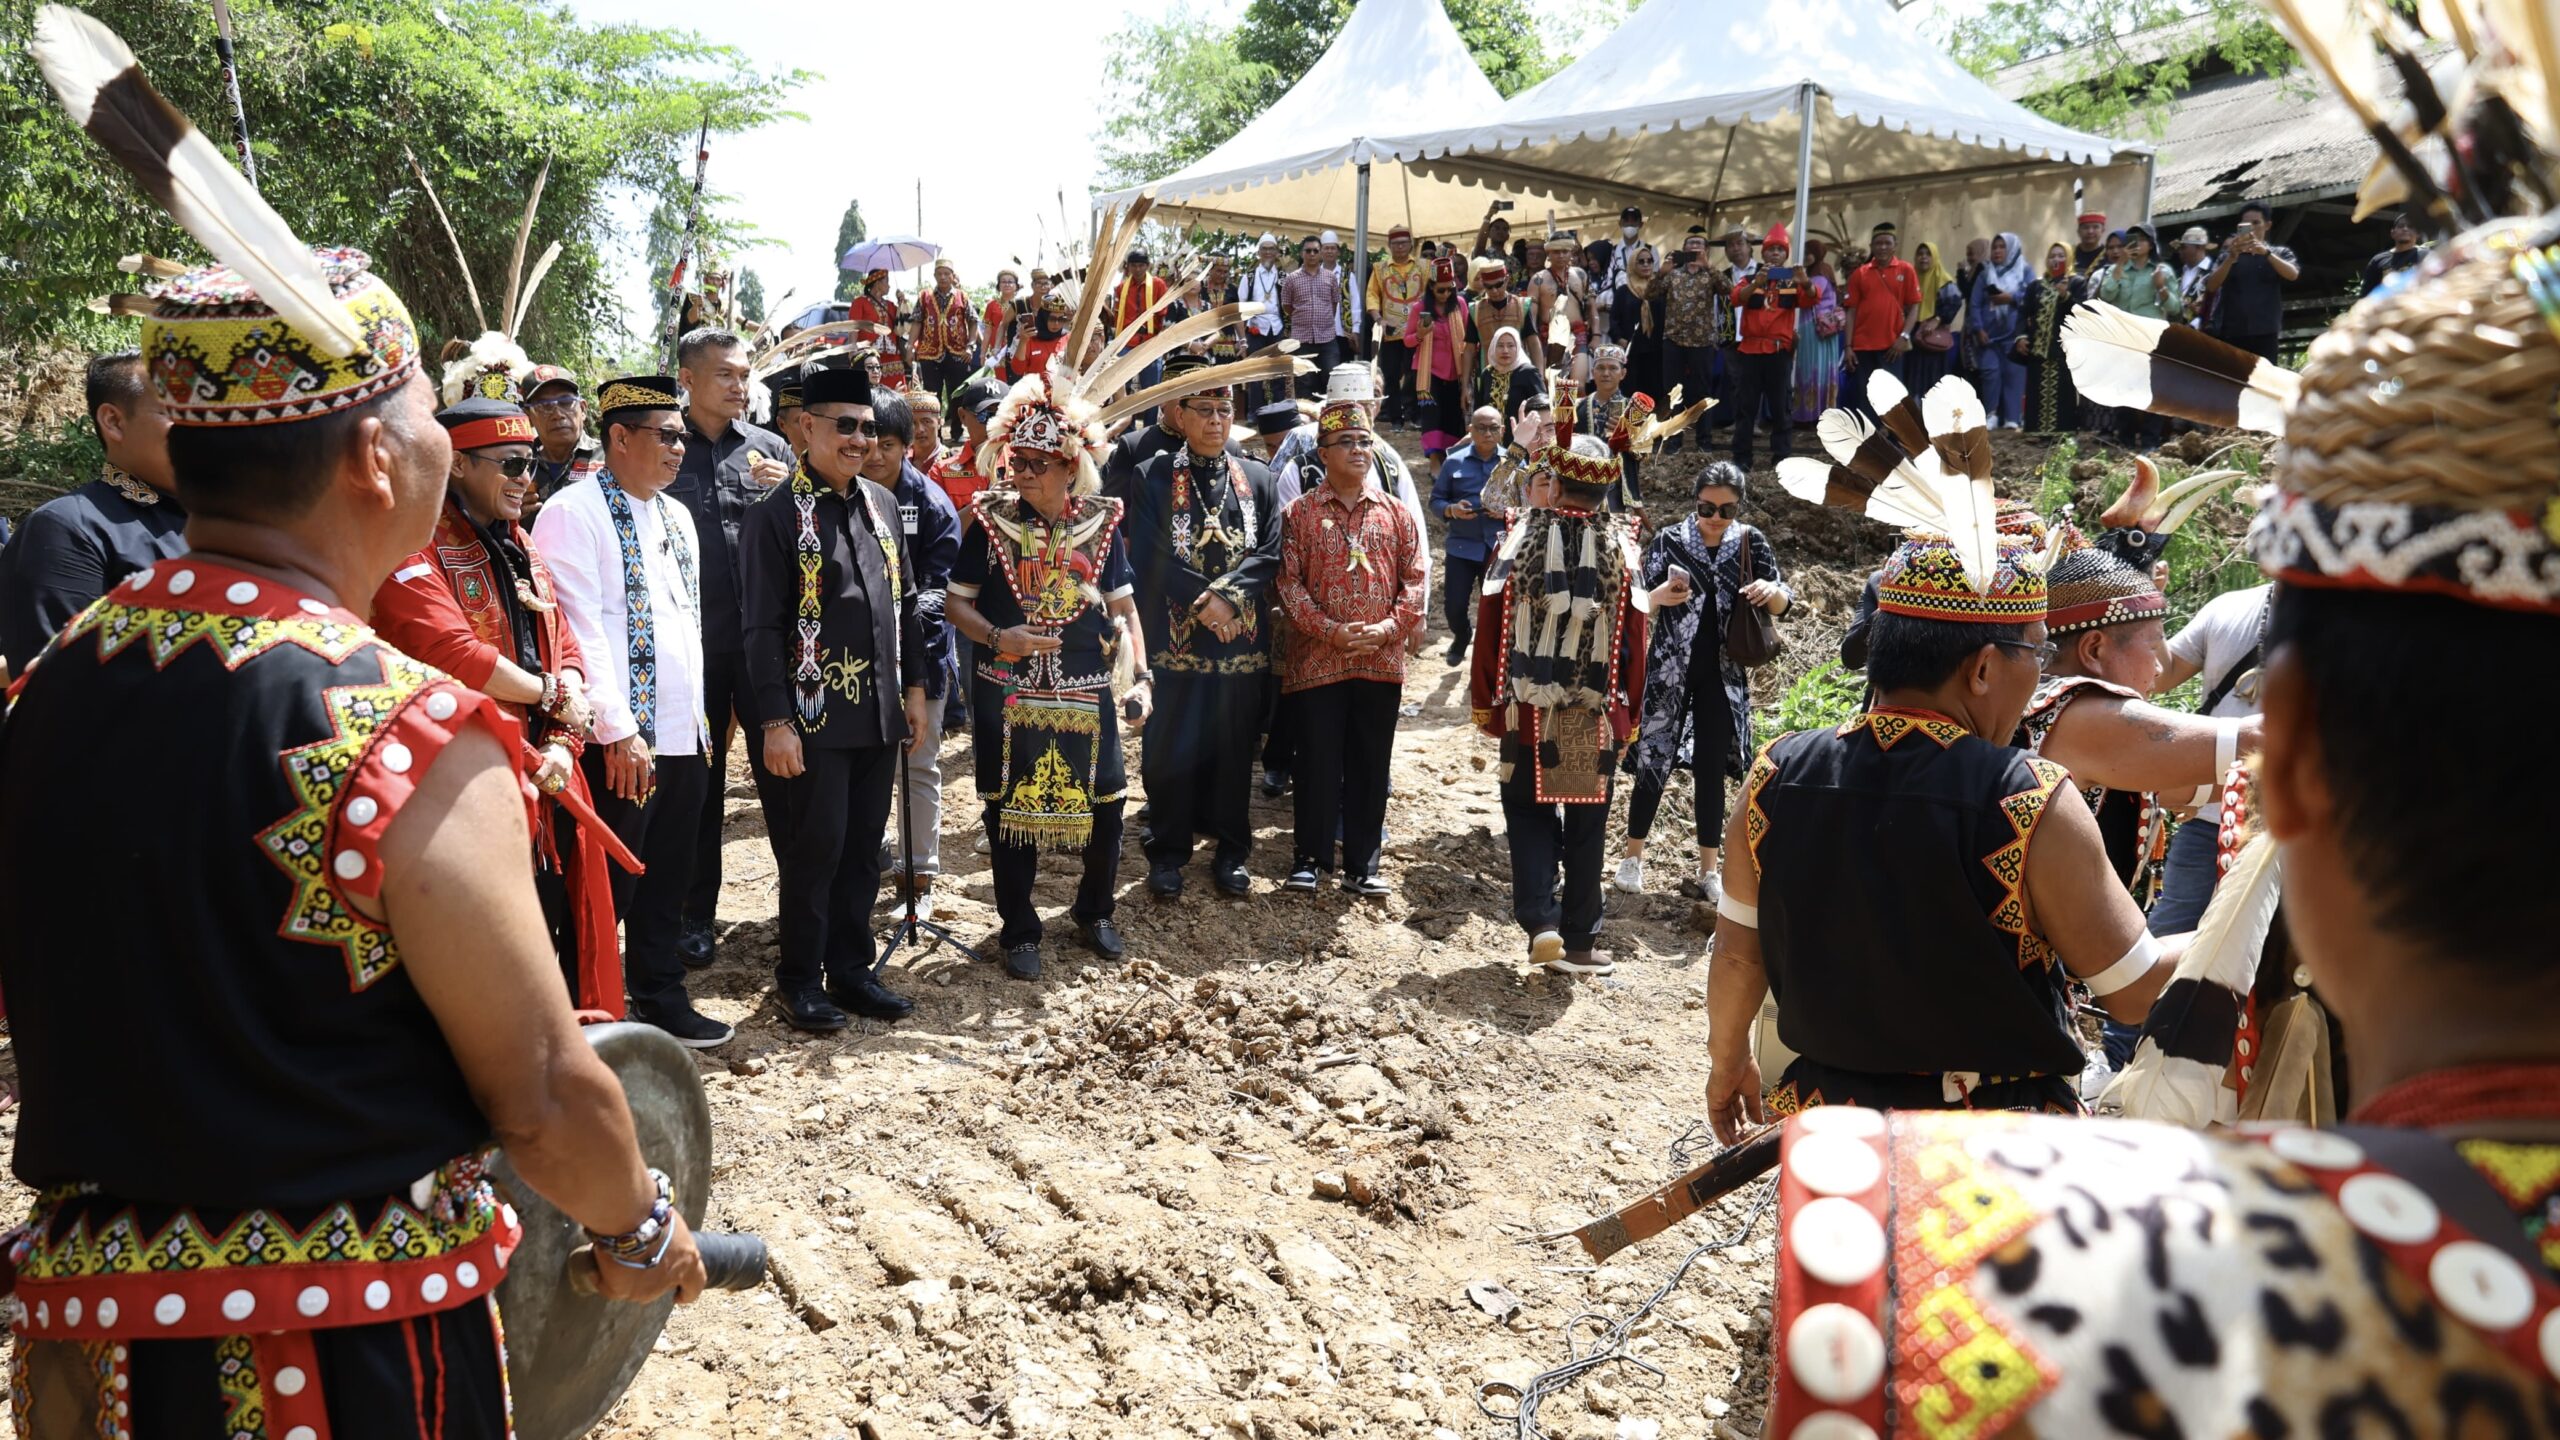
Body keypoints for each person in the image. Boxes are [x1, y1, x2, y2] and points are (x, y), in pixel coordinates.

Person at [1760, 170, 2560, 1440]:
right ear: (2002, 667)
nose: (2142, 653)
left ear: (2291, 777)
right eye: (2113, 638)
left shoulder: (2012, 1295)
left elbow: (1749, 940)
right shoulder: (2041, 760)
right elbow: (2128, 972)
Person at [0, 243, 704, 1435]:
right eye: (431, 408)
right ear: (378, 457)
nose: (445, 436)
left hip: (89, 1361)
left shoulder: (48, 691)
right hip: (342, 1360)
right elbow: (539, 1089)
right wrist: (637, 1224)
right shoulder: (405, 728)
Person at [1706, 529, 2176, 1129]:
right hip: (1995, 1149)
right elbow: (2132, 989)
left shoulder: (1774, 775)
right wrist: (2248, 925)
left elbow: (1739, 960)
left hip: (1832, 1143)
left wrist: (1728, 1062)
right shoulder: (2031, 798)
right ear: (1983, 669)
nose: (2043, 678)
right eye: (2037, 654)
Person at [371, 393, 633, 1015]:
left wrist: (563, 743)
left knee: (556, 929)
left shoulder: (520, 543)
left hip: (546, 773)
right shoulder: (412, 545)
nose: (526, 478)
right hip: (461, 781)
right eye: (511, 463)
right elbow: (449, 652)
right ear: (458, 465)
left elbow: (562, 638)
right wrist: (551, 694)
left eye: (533, 463)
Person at [532, 374, 730, 1045]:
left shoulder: (675, 515)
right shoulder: (571, 512)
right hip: (619, 741)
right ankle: (576, 1009)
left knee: (671, 875)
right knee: (602, 887)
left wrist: (702, 721)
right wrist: (618, 731)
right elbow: (579, 629)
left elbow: (687, 627)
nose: (680, 448)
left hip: (683, 733)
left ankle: (658, 991)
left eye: (682, 436)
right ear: (619, 438)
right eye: (666, 435)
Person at [739, 366, 930, 1032]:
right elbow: (759, 627)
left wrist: (912, 690)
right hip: (812, 717)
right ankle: (801, 977)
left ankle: (851, 970)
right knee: (814, 850)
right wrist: (773, 722)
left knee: (862, 850)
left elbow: (901, 608)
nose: (859, 440)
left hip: (877, 713)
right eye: (843, 426)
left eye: (868, 428)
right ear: (805, 429)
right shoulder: (773, 517)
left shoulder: (880, 506)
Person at [944, 369, 1150, 981]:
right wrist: (997, 636)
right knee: (1009, 812)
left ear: (1070, 467)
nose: (1023, 471)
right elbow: (957, 602)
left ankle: (1095, 911)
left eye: (1039, 461)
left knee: (1108, 806)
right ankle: (1018, 930)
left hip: (1088, 688)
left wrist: (1139, 676)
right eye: (1018, 459)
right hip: (1007, 691)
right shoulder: (988, 521)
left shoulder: (1102, 521)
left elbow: (1123, 607)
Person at [1469, 437, 1649, 973]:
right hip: (1592, 713)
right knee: (1587, 825)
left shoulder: (1517, 536)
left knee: (1527, 814)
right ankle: (1578, 943)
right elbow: (1635, 640)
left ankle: (1540, 922)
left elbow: (1490, 626)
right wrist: (1629, 716)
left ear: (1557, 482)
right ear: (1606, 488)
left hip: (1526, 710)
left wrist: (1486, 702)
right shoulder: (1624, 545)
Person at [1127, 362, 1280, 899]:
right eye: (1205, 411)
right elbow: (1147, 554)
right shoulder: (1153, 475)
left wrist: (1231, 598)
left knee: (1235, 751)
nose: (1216, 421)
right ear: (1179, 414)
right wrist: (1206, 603)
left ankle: (1232, 852)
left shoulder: (1257, 476)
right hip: (1175, 644)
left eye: (1224, 411)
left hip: (1241, 643)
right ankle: (1168, 853)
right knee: (1170, 749)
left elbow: (1270, 552)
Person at [665, 328, 792, 971]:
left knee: (788, 781)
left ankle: (801, 916)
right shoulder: (665, 451)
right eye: (726, 375)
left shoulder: (772, 450)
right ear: (687, 379)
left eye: (745, 375)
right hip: (695, 647)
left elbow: (809, 541)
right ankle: (694, 916)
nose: (741, 386)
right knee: (698, 789)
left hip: (767, 645)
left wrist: (788, 492)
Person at [1615, 461, 1788, 901]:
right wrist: (1656, 597)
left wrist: (1772, 593)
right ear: (1695, 502)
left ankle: (1709, 870)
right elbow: (1635, 600)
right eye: (1707, 507)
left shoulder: (1751, 542)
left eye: (1726, 510)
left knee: (1710, 770)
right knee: (1654, 760)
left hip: (1724, 675)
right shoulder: (1671, 540)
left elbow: (1784, 602)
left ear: (1739, 509)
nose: (1715, 518)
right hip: (1669, 671)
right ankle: (1632, 857)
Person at [1275, 397, 1425, 897]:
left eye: (1365, 441)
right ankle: (1310, 859)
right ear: (1322, 453)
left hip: (1380, 659)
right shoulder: (1298, 514)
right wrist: (1328, 630)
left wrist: (1388, 628)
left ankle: (1362, 864)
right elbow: (1287, 585)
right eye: (1346, 442)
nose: (1359, 450)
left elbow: (1416, 580)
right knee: (1316, 759)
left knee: (1370, 761)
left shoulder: (1396, 514)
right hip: (1317, 659)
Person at [0, 350, 186, 669]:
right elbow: (59, 687)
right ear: (113, 422)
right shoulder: (68, 529)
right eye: (178, 410)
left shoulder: (231, 520)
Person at [861, 390, 960, 921]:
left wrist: (900, 623)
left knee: (918, 765)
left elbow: (938, 590)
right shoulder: (838, 496)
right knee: (864, 766)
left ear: (910, 446)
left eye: (889, 443)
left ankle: (919, 875)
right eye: (866, 439)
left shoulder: (933, 505)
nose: (874, 453)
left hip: (922, 656)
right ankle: (863, 864)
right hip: (854, 665)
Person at [2147, 579, 2271, 933]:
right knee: (2173, 934)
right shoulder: (2228, 607)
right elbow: (2159, 676)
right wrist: (2150, 609)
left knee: (2280, 957)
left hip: (2301, 829)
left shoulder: (2360, 622)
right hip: (2209, 820)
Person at [1729, 223, 1814, 470]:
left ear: (1786, 255)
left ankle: (1781, 458)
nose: (1775, 253)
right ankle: (1742, 458)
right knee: (1746, 409)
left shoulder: (1792, 282)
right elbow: (1737, 298)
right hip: (1750, 352)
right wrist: (1757, 282)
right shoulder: (1749, 278)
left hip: (1778, 353)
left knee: (1780, 408)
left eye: (1780, 250)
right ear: (1763, 254)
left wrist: (1805, 281)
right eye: (1770, 249)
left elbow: (1811, 298)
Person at [1432, 406, 1507, 661]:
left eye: (1493, 428)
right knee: (1454, 607)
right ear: (1471, 431)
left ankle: (1490, 658)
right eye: (1481, 428)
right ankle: (1462, 635)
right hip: (1462, 546)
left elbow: (1529, 503)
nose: (1488, 433)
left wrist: (1508, 513)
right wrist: (1452, 510)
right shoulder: (1454, 461)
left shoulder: (1513, 463)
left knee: (1496, 607)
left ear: (1503, 431)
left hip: (1499, 548)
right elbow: (1436, 501)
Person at [2203, 201, 2298, 359]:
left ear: (2267, 225)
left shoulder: (2279, 253)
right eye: (2246, 224)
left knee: (2265, 380)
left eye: (2256, 223)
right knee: (2233, 380)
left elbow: (2293, 274)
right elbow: (2212, 286)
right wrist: (2230, 258)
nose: (2252, 228)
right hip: (2232, 332)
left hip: (2265, 332)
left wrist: (2266, 253)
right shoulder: (2228, 256)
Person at [1840, 222, 1920, 409]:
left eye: (1887, 242)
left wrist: (1904, 337)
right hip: (1862, 347)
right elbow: (1850, 311)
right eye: (1878, 243)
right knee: (1865, 396)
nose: (1882, 247)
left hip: (1892, 346)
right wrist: (1849, 346)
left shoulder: (1906, 270)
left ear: (1895, 245)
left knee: (1893, 398)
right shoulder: (1860, 274)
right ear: (1871, 246)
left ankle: (1895, 438)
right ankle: (1870, 437)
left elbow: (1914, 307)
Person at [1659, 228, 1723, 453]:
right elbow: (1650, 294)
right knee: (1673, 392)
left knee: (1702, 392)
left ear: (1706, 251)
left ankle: (1703, 442)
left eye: (1699, 245)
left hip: (1702, 342)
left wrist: (1709, 267)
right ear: (1683, 251)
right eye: (1690, 245)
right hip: (1674, 340)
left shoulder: (1711, 275)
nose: (1695, 248)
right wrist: (1661, 272)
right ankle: (1673, 441)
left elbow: (1729, 291)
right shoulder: (1673, 275)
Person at [1407, 255, 1473, 466]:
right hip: (1429, 372)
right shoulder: (1420, 308)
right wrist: (1419, 334)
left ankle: (1450, 460)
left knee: (1453, 416)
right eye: (1441, 290)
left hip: (1455, 370)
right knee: (1432, 415)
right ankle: (1434, 461)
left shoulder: (1460, 305)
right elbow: (1407, 341)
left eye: (1450, 289)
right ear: (1431, 288)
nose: (1446, 294)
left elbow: (1467, 339)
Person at [2017, 242, 2084, 438]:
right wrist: (2020, 337)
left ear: (2069, 258)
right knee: (2037, 390)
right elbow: (2023, 312)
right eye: (2052, 256)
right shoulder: (2035, 286)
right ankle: (2037, 432)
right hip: (2038, 349)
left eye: (2061, 256)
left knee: (2063, 391)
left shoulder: (2077, 283)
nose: (2056, 259)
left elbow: (2082, 313)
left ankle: (2063, 434)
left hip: (2064, 349)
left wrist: (2065, 296)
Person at [1968, 231, 2032, 429]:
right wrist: (1978, 329)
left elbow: (2032, 297)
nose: (1997, 251)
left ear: (2012, 249)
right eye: (1995, 247)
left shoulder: (2025, 271)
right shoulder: (1986, 273)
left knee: (2014, 374)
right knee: (1990, 372)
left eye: (2002, 247)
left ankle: (2013, 418)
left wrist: (2011, 299)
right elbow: (1975, 304)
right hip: (1989, 336)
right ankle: (1991, 414)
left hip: (2015, 336)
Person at [521, 362, 602, 514]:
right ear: (528, 417)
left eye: (566, 402)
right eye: (544, 405)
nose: (557, 414)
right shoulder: (518, 465)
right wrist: (509, 516)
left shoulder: (610, 458)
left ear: (583, 409)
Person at [1367, 224, 1427, 425]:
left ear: (1410, 244)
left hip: (1416, 330)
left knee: (1415, 372)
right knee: (1391, 374)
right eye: (1395, 243)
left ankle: (1414, 413)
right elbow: (1372, 295)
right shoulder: (1379, 268)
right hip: (1390, 329)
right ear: (1389, 245)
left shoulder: (1424, 266)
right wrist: (1378, 318)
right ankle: (1395, 417)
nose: (1400, 247)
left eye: (1403, 243)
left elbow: (1432, 293)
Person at [1576, 343, 1647, 510]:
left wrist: (1628, 441)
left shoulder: (1634, 409)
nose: (1606, 373)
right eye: (1600, 368)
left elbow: (1643, 452)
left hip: (1618, 485)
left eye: (1613, 368)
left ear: (1623, 373)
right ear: (1593, 373)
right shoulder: (1578, 407)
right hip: (1584, 481)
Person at [910, 260, 975, 442]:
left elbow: (973, 320)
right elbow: (916, 321)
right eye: (939, 274)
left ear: (953, 276)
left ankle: (956, 431)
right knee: (932, 395)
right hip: (929, 353)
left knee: (957, 394)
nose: (943, 277)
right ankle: (934, 434)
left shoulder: (963, 296)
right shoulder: (925, 297)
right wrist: (910, 345)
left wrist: (970, 346)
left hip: (957, 352)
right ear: (935, 276)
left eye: (947, 273)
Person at [1279, 234, 1346, 395]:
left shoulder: (1330, 277)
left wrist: (1322, 317)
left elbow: (1334, 303)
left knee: (1331, 378)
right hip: (1302, 339)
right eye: (1308, 251)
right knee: (1304, 381)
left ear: (1320, 253)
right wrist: (1303, 316)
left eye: (1315, 250)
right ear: (1302, 253)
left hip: (1327, 338)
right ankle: (1305, 418)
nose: (1312, 254)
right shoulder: (1291, 279)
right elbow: (1286, 306)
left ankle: (1329, 417)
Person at [1791, 238, 1846, 424]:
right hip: (1825, 330)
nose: (1806, 257)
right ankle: (1822, 411)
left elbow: (1811, 295)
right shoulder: (1825, 272)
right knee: (1822, 369)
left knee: (1809, 368)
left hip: (1814, 329)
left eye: (1809, 252)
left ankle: (1809, 414)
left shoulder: (1818, 276)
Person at [1461, 255, 1537, 390]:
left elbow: (1533, 343)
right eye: (1489, 287)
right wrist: (1465, 386)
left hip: (1519, 378)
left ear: (1507, 280)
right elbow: (1469, 349)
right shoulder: (1475, 310)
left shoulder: (1522, 306)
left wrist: (1539, 377)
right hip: (1488, 380)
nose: (1494, 291)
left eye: (1498, 285)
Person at [1901, 240, 1962, 393]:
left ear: (1935, 257)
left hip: (1932, 336)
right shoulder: (1910, 278)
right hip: (1913, 332)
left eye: (1928, 254)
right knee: (1912, 376)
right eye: (1920, 254)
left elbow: (1955, 301)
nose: (1924, 258)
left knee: (1932, 379)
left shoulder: (1943, 279)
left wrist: (1937, 319)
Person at [1611, 243, 1667, 406]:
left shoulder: (1659, 288)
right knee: (1633, 393)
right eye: (1640, 261)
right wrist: (1619, 338)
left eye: (1649, 261)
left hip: (1656, 349)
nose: (1646, 265)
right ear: (1632, 264)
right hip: (1632, 349)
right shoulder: (1623, 291)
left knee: (1655, 391)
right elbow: (1614, 318)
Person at [1470, 325, 1546, 430]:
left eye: (1510, 345)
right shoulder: (1487, 374)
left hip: (1522, 437)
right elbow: (1479, 409)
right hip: (1490, 438)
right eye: (1500, 345)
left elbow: (1542, 406)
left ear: (1518, 347)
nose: (1505, 350)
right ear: (1493, 348)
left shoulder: (1528, 373)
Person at [847, 269, 908, 389]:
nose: (889, 286)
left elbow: (902, 328)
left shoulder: (891, 305)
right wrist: (852, 350)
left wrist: (902, 303)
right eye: (886, 281)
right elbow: (854, 327)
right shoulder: (860, 302)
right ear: (877, 283)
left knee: (897, 391)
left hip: (893, 358)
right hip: (869, 357)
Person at [1008, 289, 1070, 383]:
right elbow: (1018, 369)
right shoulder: (1029, 337)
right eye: (1052, 319)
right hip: (1036, 393)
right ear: (1043, 317)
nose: (1057, 324)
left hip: (1062, 393)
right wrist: (1023, 342)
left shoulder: (1068, 338)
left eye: (1061, 319)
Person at [2361, 210, 2429, 294]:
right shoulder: (2378, 260)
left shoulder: (2428, 257)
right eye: (2401, 226)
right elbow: (2366, 295)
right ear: (2392, 233)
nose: (2405, 229)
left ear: (2418, 233)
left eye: (2410, 226)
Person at [2173, 224, 2219, 326]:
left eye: (2184, 247)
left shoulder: (2214, 272)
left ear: (2199, 247)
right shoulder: (2176, 274)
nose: (2180, 251)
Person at [981, 267, 1020, 367]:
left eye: (1010, 282)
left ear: (1016, 286)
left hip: (1016, 351)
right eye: (1003, 282)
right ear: (999, 285)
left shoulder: (1021, 304)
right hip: (997, 352)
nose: (1007, 284)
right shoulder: (992, 305)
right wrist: (982, 353)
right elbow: (987, 331)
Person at [2071, 209, 2108, 274]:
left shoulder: (2109, 255)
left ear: (2103, 230)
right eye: (2085, 227)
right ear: (2078, 231)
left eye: (2095, 227)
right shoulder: (2069, 254)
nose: (2090, 231)